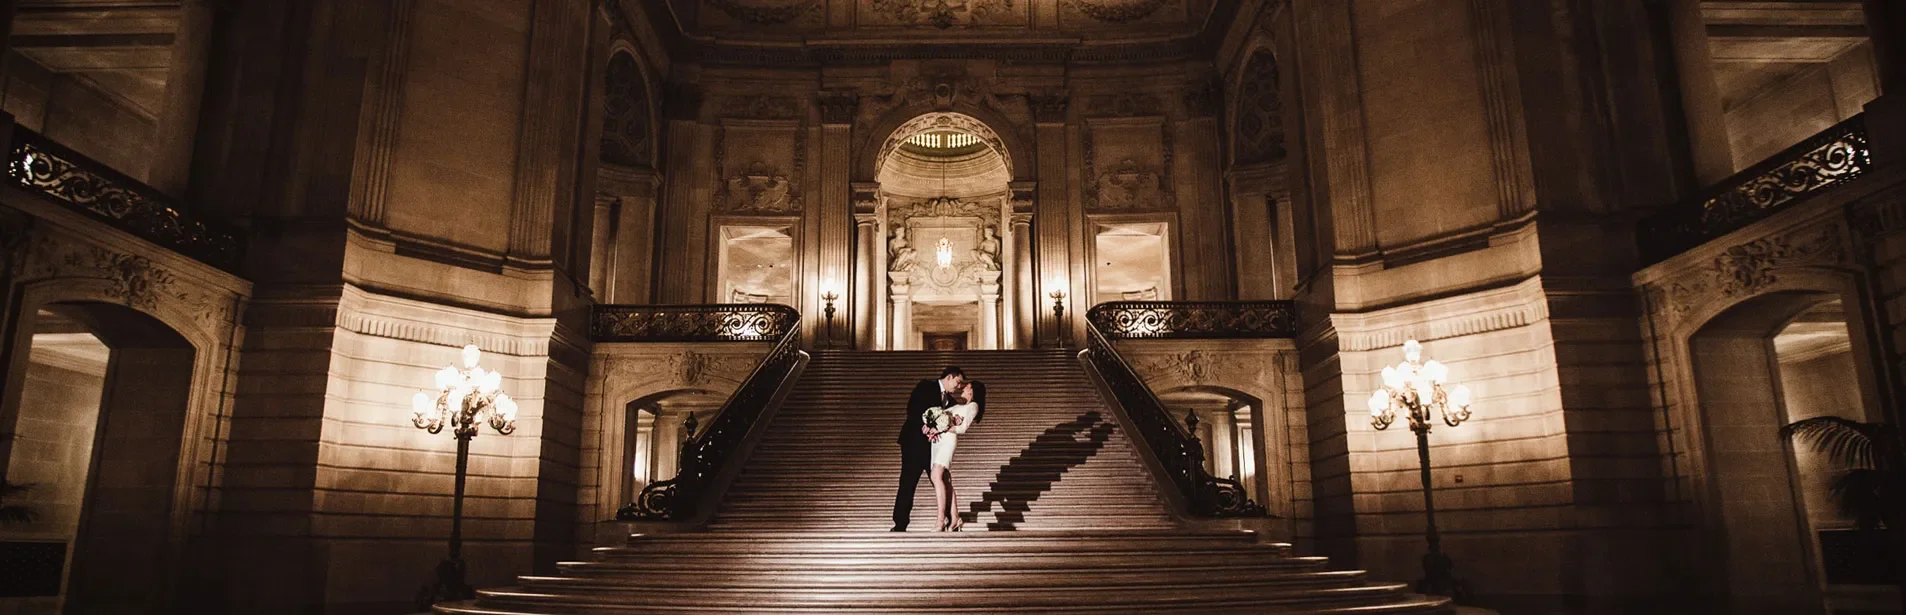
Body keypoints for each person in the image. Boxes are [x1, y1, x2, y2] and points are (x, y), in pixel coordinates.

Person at [893, 366, 962, 531]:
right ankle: (900, 523)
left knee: (941, 480)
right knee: (908, 481)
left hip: (934, 447)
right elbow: (912, 409)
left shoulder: (950, 400)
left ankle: (950, 519)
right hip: (914, 443)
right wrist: (924, 424)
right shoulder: (925, 386)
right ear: (949, 377)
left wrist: (956, 420)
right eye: (958, 382)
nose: (958, 387)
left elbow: (953, 415)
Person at [928, 381, 983, 532]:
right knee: (945, 479)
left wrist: (945, 426)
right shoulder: (957, 406)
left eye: (967, 386)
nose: (963, 388)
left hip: (948, 441)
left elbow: (962, 428)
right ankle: (955, 518)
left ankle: (941, 519)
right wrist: (932, 429)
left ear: (972, 391)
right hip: (939, 442)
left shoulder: (973, 406)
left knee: (935, 475)